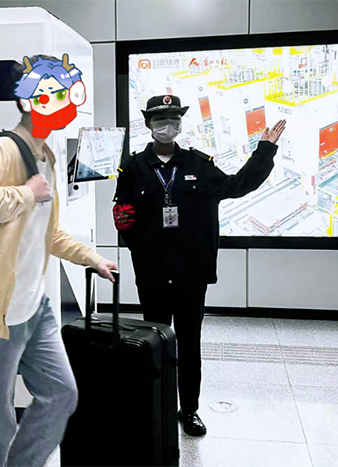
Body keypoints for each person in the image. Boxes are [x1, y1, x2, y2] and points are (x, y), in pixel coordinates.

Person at [0, 54, 117, 467]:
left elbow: (49, 233)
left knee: (61, 394)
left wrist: (92, 258)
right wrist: (26, 193)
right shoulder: (3, 148)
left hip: (34, 306)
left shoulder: (47, 158)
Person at [113, 94, 286, 436]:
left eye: (174, 119)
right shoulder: (133, 168)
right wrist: (143, 252)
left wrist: (264, 151)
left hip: (192, 273)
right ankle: (156, 407)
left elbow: (238, 185)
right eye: (161, 120)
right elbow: (124, 218)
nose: (168, 126)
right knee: (154, 343)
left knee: (190, 344)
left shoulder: (199, 164)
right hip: (153, 274)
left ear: (180, 124)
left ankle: (189, 410)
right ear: (148, 124)